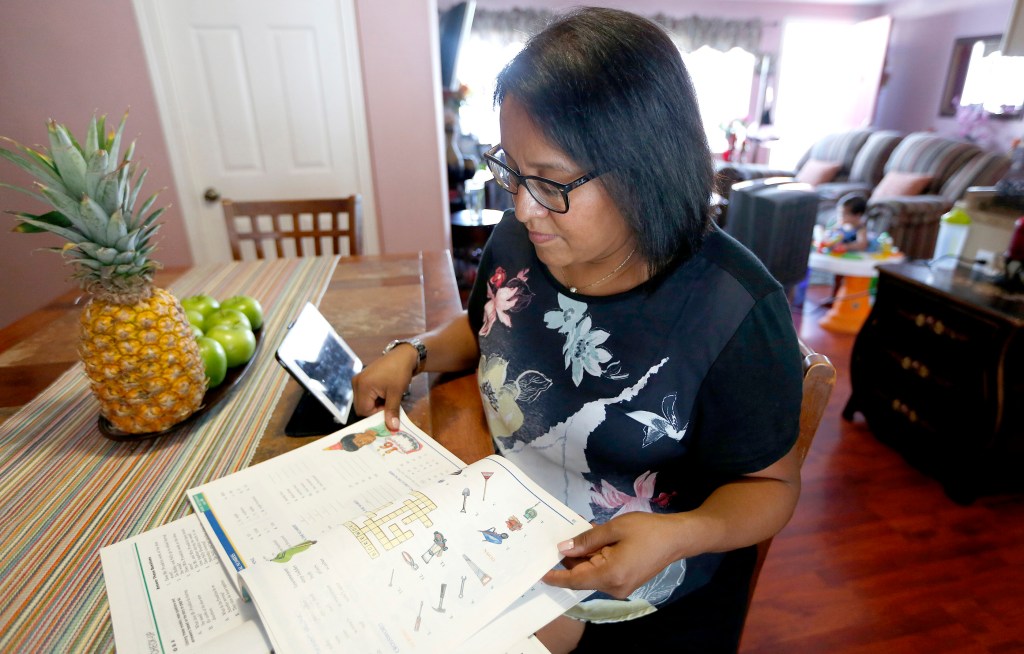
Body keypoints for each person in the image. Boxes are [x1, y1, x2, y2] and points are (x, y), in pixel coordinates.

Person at [352, 7, 803, 652]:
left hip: (640, 588)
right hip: (501, 532)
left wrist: (680, 533)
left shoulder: (733, 307)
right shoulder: (524, 237)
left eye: (554, 182)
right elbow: (489, 326)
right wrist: (414, 354)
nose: (521, 207)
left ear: (647, 168)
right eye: (512, 170)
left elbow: (773, 486)